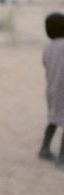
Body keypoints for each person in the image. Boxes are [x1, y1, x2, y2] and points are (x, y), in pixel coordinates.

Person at [38, 12, 64, 167]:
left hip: (52, 88)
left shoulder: (49, 46)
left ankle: (44, 148)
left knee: (53, 118)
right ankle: (62, 158)